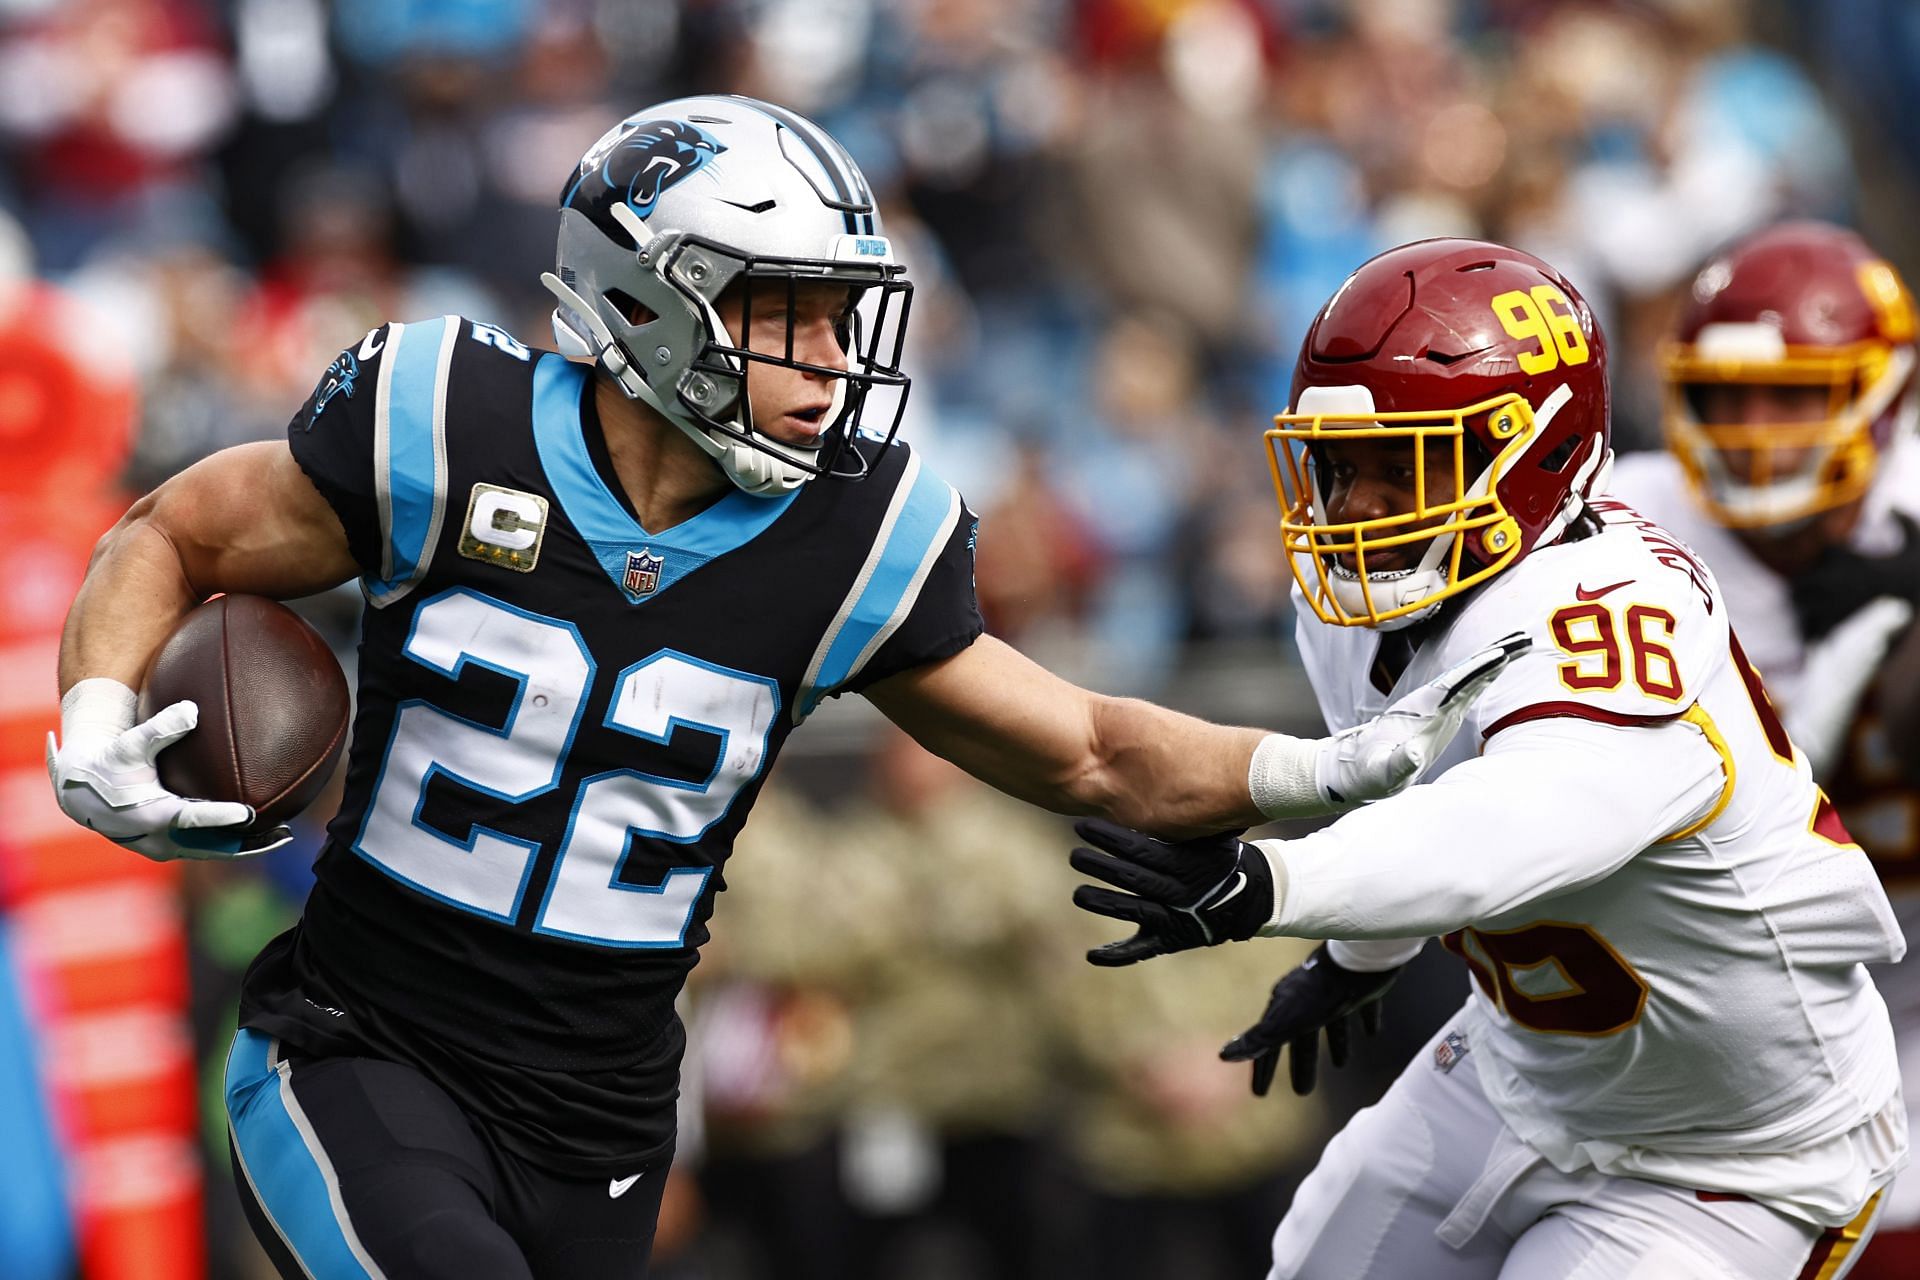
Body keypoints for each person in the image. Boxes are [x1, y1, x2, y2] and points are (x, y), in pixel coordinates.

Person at [41, 97, 1518, 1280]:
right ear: (644, 299)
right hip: (367, 1054)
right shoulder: (445, 420)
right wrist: (99, 708)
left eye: (840, 317)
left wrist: (1319, 771)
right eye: (789, 315)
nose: (831, 363)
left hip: (607, 1121)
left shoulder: (850, 540)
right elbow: (176, 531)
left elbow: (1086, 751)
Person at [1069, 237, 1907, 1278]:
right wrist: (1352, 955)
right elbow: (1416, 797)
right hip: (1523, 1071)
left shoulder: (1616, 614)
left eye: (1403, 462)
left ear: (1536, 451)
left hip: (1742, 1146)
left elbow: (1502, 828)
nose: (1361, 507)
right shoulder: (1352, 611)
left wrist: (1269, 882)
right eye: (1342, 466)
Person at [1609, 220, 1920, 1277]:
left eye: (1794, 395)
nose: (1755, 432)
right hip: (1708, 1032)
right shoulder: (1618, 531)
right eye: (1726, 398)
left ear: (1889, 397)